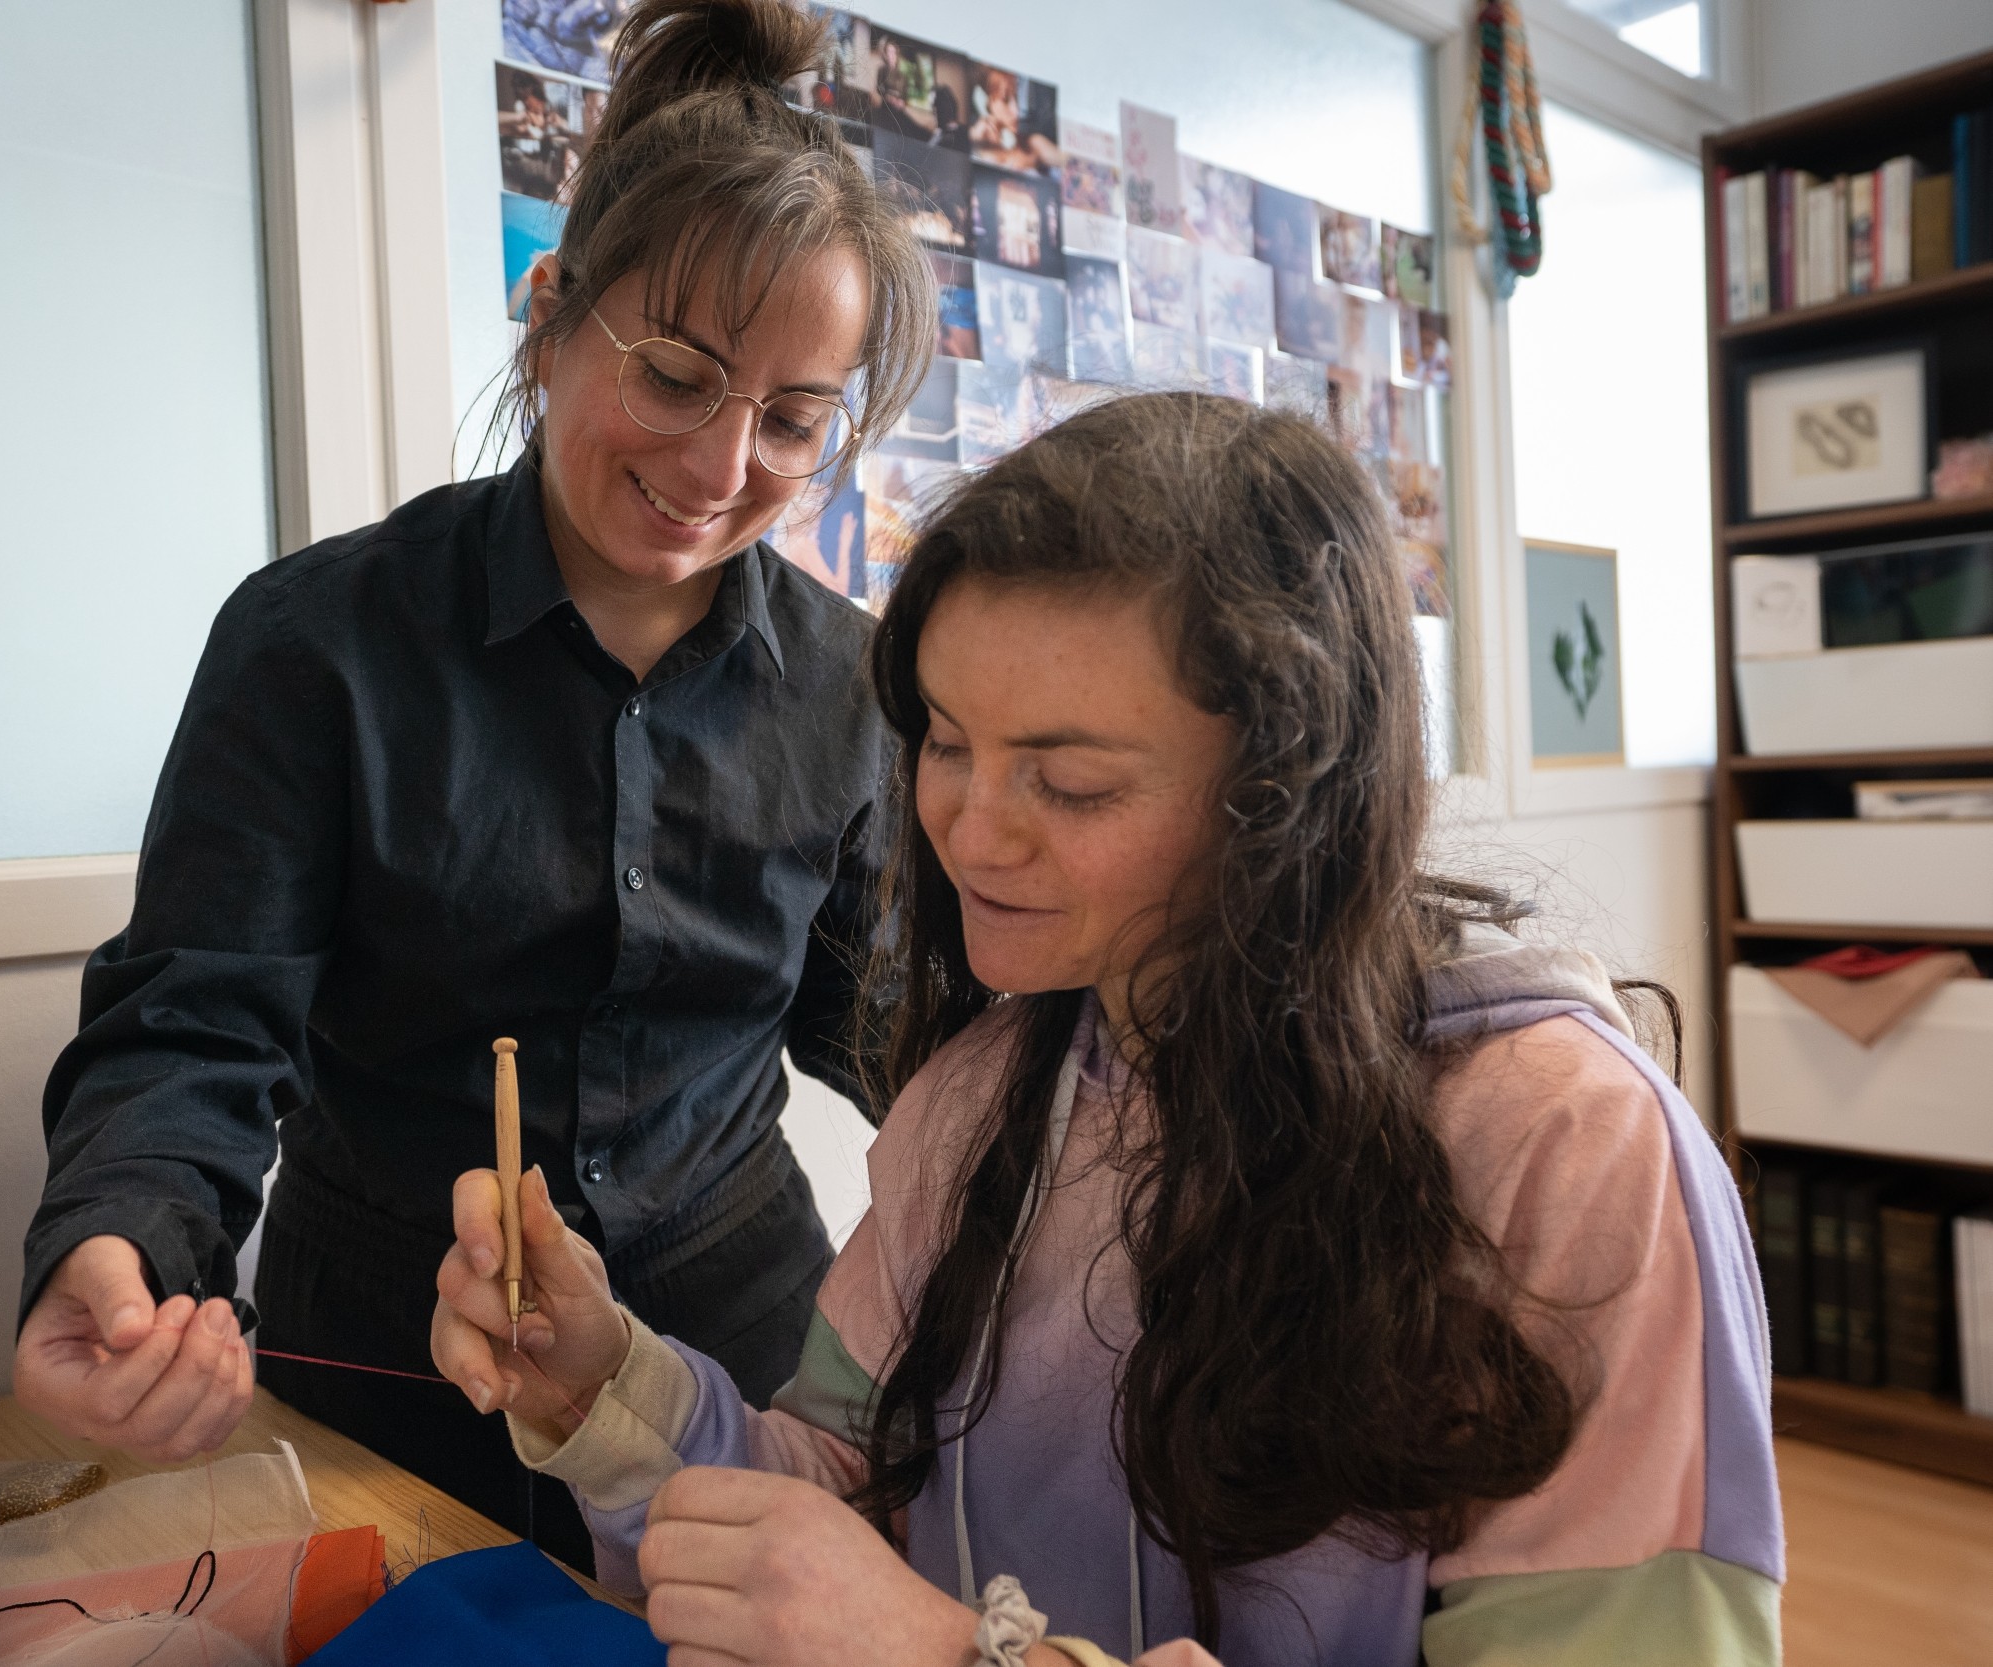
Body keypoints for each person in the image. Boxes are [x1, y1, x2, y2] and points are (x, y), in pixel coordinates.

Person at [432, 392, 1783, 1664]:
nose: (967, 828)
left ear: (1284, 792)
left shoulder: (1562, 1149)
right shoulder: (978, 1104)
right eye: (948, 744)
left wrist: (957, 1653)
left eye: (1069, 783)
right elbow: (835, 1510)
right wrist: (607, 1393)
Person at [10, 0, 934, 1569]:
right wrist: (121, 1244)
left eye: (792, 421)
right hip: (383, 1339)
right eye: (676, 375)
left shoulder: (854, 689)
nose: (722, 471)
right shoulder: (321, 642)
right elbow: (194, 1018)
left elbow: (905, 1036)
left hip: (733, 1345)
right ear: (550, 312)